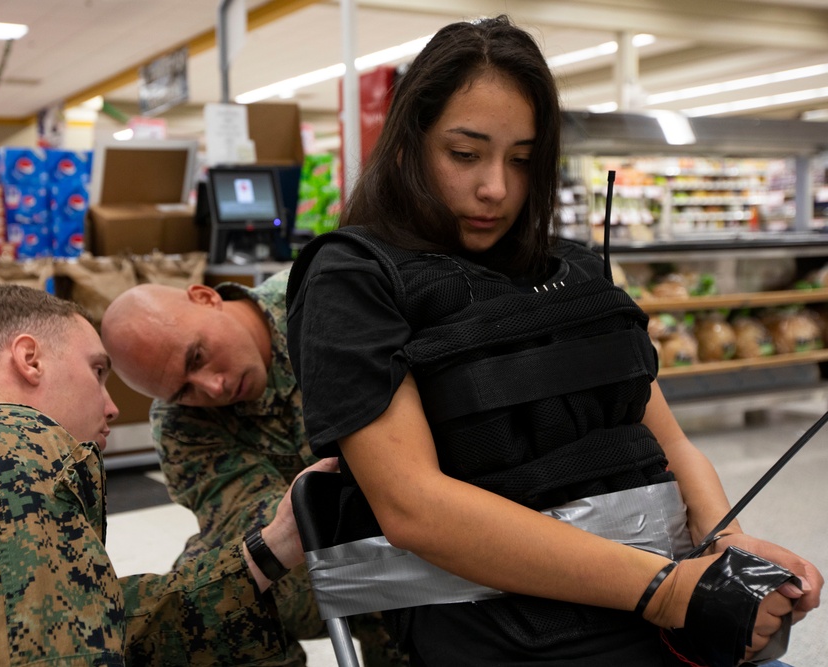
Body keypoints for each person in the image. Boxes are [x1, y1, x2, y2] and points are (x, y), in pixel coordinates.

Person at [284, 15, 823, 667]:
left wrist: (723, 544)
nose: (497, 188)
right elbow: (414, 506)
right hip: (509, 634)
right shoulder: (355, 276)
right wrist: (661, 589)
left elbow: (669, 440)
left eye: (522, 159)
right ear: (408, 144)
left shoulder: (574, 268)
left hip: (663, 612)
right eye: (465, 154)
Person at [0, 283, 334, 667]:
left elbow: (92, 619)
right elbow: (33, 653)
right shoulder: (5, 434)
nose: (112, 407)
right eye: (97, 371)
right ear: (29, 360)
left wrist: (266, 550)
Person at [101, 271, 407, 666]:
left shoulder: (324, 296)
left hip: (423, 523)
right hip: (323, 559)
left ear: (205, 297)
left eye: (197, 356)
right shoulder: (182, 424)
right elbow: (259, 531)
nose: (213, 387)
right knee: (198, 611)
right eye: (184, 390)